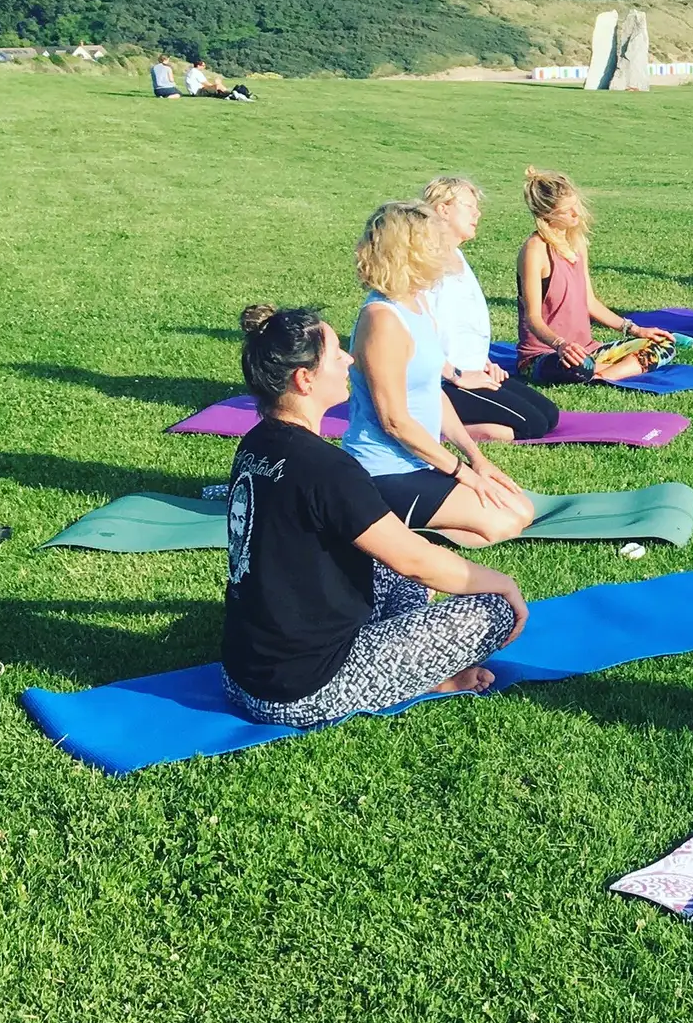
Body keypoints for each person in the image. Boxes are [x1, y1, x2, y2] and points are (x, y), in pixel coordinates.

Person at [220, 304, 527, 729]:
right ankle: (412, 678)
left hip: (240, 673)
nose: (349, 359)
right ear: (304, 379)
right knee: (494, 610)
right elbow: (415, 562)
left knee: (395, 564)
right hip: (301, 689)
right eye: (336, 355)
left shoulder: (256, 443)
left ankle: (410, 672)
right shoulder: (326, 468)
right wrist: (503, 584)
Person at [343, 200, 535, 545]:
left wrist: (476, 459)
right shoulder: (382, 320)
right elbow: (394, 421)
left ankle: (405, 529)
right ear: (412, 252)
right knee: (501, 525)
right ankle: (383, 533)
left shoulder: (417, 304)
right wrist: (462, 473)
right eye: (434, 242)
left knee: (522, 511)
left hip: (422, 462)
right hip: (382, 471)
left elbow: (434, 392)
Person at [419, 176, 560, 442]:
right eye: (469, 206)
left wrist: (482, 361)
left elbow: (460, 324)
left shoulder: (456, 255)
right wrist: (457, 375)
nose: (477, 213)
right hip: (442, 381)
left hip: (471, 370)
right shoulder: (426, 262)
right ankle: (436, 430)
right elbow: (417, 331)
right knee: (532, 425)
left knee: (549, 415)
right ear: (443, 209)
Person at [516, 168, 674, 384]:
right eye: (567, 210)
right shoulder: (535, 250)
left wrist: (635, 329)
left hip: (588, 350)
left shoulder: (577, 243)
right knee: (576, 365)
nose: (576, 213)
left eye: (576, 205)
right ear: (546, 214)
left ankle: (603, 374)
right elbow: (532, 318)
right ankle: (617, 369)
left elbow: (589, 302)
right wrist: (561, 345)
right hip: (546, 355)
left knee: (664, 344)